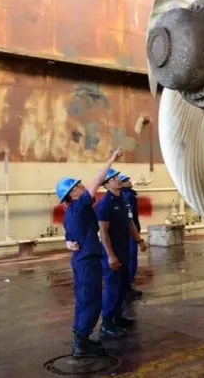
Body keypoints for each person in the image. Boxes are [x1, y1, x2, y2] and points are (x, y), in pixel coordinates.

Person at [56, 147, 123, 358]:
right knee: (91, 299)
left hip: (80, 258)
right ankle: (81, 343)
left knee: (84, 298)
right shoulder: (80, 205)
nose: (81, 186)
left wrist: (69, 243)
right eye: (77, 186)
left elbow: (71, 235)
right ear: (72, 194)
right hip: (87, 261)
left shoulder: (71, 213)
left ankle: (81, 337)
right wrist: (111, 159)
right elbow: (96, 183)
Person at [95, 168, 148, 338]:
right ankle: (107, 324)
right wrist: (110, 255)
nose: (118, 180)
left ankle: (117, 318)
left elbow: (130, 222)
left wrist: (139, 240)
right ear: (106, 184)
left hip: (124, 250)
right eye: (114, 178)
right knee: (112, 288)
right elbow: (103, 232)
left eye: (118, 177)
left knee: (121, 287)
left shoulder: (123, 199)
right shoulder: (105, 204)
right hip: (113, 253)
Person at [119, 173, 143, 301]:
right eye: (125, 180)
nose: (128, 181)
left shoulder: (128, 194)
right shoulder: (127, 196)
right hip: (129, 232)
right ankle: (127, 286)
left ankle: (126, 285)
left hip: (129, 231)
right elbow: (130, 219)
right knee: (131, 256)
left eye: (128, 179)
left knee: (129, 257)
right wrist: (138, 236)